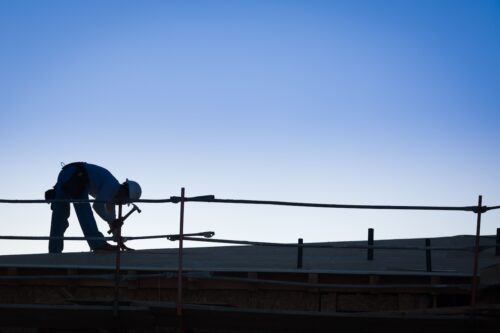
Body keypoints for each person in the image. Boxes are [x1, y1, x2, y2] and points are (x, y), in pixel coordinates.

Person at [47, 162, 142, 253]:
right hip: (77, 175)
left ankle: (54, 251)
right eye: (126, 201)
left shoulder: (111, 199)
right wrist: (113, 222)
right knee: (84, 211)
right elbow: (97, 206)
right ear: (125, 193)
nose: (123, 204)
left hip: (67, 174)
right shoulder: (112, 185)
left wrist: (119, 240)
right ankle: (98, 244)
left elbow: (111, 220)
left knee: (59, 216)